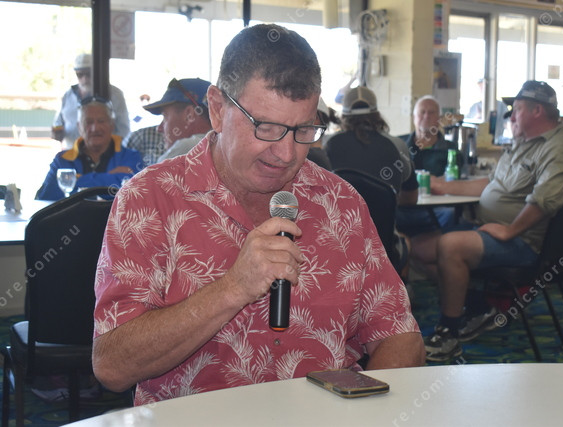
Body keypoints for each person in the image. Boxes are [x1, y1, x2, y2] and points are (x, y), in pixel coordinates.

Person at [92, 24, 425, 405]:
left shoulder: (340, 203)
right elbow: (112, 367)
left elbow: (400, 335)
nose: (286, 154)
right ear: (217, 110)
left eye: (303, 130)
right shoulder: (149, 199)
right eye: (266, 128)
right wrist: (233, 288)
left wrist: (363, 414)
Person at [411, 81, 563, 361]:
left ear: (537, 111)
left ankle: (449, 332)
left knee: (450, 246)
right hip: (492, 231)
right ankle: (478, 306)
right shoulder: (524, 142)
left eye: (517, 109)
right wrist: (442, 186)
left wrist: (509, 231)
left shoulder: (558, 148)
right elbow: (490, 184)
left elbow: (545, 200)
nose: (512, 116)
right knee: (418, 248)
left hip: (522, 241)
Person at [36, 97, 143, 201]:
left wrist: (74, 181)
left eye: (101, 121)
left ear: (112, 125)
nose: (95, 128)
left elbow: (135, 194)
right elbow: (45, 196)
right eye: (88, 122)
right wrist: (111, 178)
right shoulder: (62, 160)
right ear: (79, 127)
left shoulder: (131, 157)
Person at [325, 86, 416, 200]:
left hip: (340, 211)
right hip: (382, 211)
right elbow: (411, 197)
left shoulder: (328, 144)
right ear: (377, 114)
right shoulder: (398, 145)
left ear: (343, 115)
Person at [395, 96, 458, 237]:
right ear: (414, 117)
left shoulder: (451, 149)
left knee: (450, 214)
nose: (426, 116)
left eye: (431, 112)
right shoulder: (398, 144)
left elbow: (455, 180)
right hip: (403, 208)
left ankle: (442, 248)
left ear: (439, 119)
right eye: (422, 112)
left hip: (437, 208)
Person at [52, 53, 130, 150]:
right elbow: (58, 123)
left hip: (104, 154)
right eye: (80, 75)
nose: (84, 79)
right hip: (72, 153)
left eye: (88, 74)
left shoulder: (115, 95)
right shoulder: (68, 96)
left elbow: (123, 130)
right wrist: (57, 133)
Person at [144, 78, 213, 163]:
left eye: (165, 117)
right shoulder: (220, 144)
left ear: (189, 114)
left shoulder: (188, 147)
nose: (159, 128)